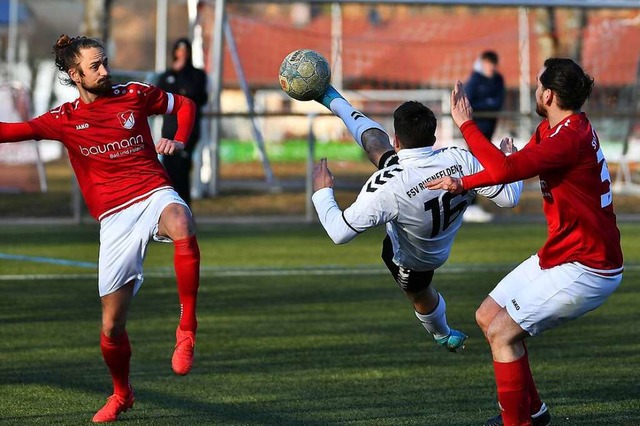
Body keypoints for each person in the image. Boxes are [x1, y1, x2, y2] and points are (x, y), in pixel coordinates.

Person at [0, 35, 201, 422]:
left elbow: (186, 105)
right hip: (114, 220)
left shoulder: (134, 95)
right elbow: (13, 131)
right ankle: (122, 393)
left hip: (153, 191)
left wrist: (177, 138)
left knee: (182, 221)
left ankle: (187, 330)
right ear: (75, 75)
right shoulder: (65, 120)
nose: (106, 71)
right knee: (111, 327)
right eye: (96, 66)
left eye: (105, 62)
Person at [428, 60, 623, 426]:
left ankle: (516, 423)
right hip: (564, 253)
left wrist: (466, 124)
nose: (535, 91)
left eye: (537, 86)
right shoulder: (557, 128)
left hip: (589, 267)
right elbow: (509, 164)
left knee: (503, 333)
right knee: (487, 316)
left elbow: (503, 171)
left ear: (548, 95)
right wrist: (462, 184)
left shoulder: (568, 138)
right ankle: (533, 412)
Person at [309, 86, 523, 352]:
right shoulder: (460, 159)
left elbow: (339, 232)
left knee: (420, 296)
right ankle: (335, 100)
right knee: (375, 146)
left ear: (397, 139)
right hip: (428, 212)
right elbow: (510, 198)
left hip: (413, 260)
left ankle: (443, 335)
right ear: (433, 136)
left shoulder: (387, 186)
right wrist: (508, 158)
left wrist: (322, 192)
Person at [157, 38, 208, 206]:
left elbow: (196, 97)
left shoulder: (197, 75)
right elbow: (161, 98)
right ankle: (171, 208)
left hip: (188, 133)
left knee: (182, 169)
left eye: (185, 51)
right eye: (179, 51)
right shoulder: (167, 76)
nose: (182, 55)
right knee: (169, 172)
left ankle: (184, 207)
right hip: (170, 132)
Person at [462, 50, 506, 223]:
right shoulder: (474, 80)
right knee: (473, 165)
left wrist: (486, 104)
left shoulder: (498, 80)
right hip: (474, 132)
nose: (491, 68)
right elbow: (469, 102)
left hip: (488, 131)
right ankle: (470, 205)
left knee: (482, 166)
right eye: (488, 64)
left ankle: (472, 204)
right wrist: (487, 104)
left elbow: (498, 102)